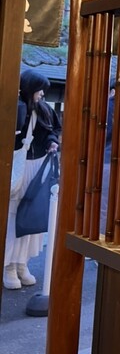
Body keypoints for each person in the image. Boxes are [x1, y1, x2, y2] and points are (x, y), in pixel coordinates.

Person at [3, 70, 62, 290]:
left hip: (37, 167)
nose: (42, 94)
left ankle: (22, 263)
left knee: (31, 216)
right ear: (30, 88)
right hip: (19, 166)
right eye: (39, 90)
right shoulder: (16, 107)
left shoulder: (44, 108)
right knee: (14, 217)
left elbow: (52, 130)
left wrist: (52, 141)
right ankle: (8, 266)